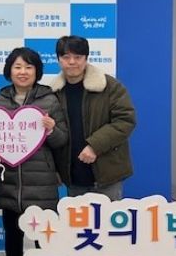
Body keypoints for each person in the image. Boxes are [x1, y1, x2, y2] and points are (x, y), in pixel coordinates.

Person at [0, 48, 68, 256]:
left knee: (44, 238)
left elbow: (62, 140)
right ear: (9, 71)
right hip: (9, 182)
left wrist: (52, 129)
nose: (22, 72)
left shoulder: (50, 100)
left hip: (41, 182)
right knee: (13, 239)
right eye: (17, 67)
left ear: (37, 71)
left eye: (28, 67)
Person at [50, 35, 136, 200]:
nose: (72, 62)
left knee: (107, 217)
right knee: (76, 218)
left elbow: (125, 120)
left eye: (78, 57)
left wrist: (94, 146)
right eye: (66, 57)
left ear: (86, 58)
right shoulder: (53, 92)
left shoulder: (110, 86)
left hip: (107, 174)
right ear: (59, 60)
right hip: (73, 177)